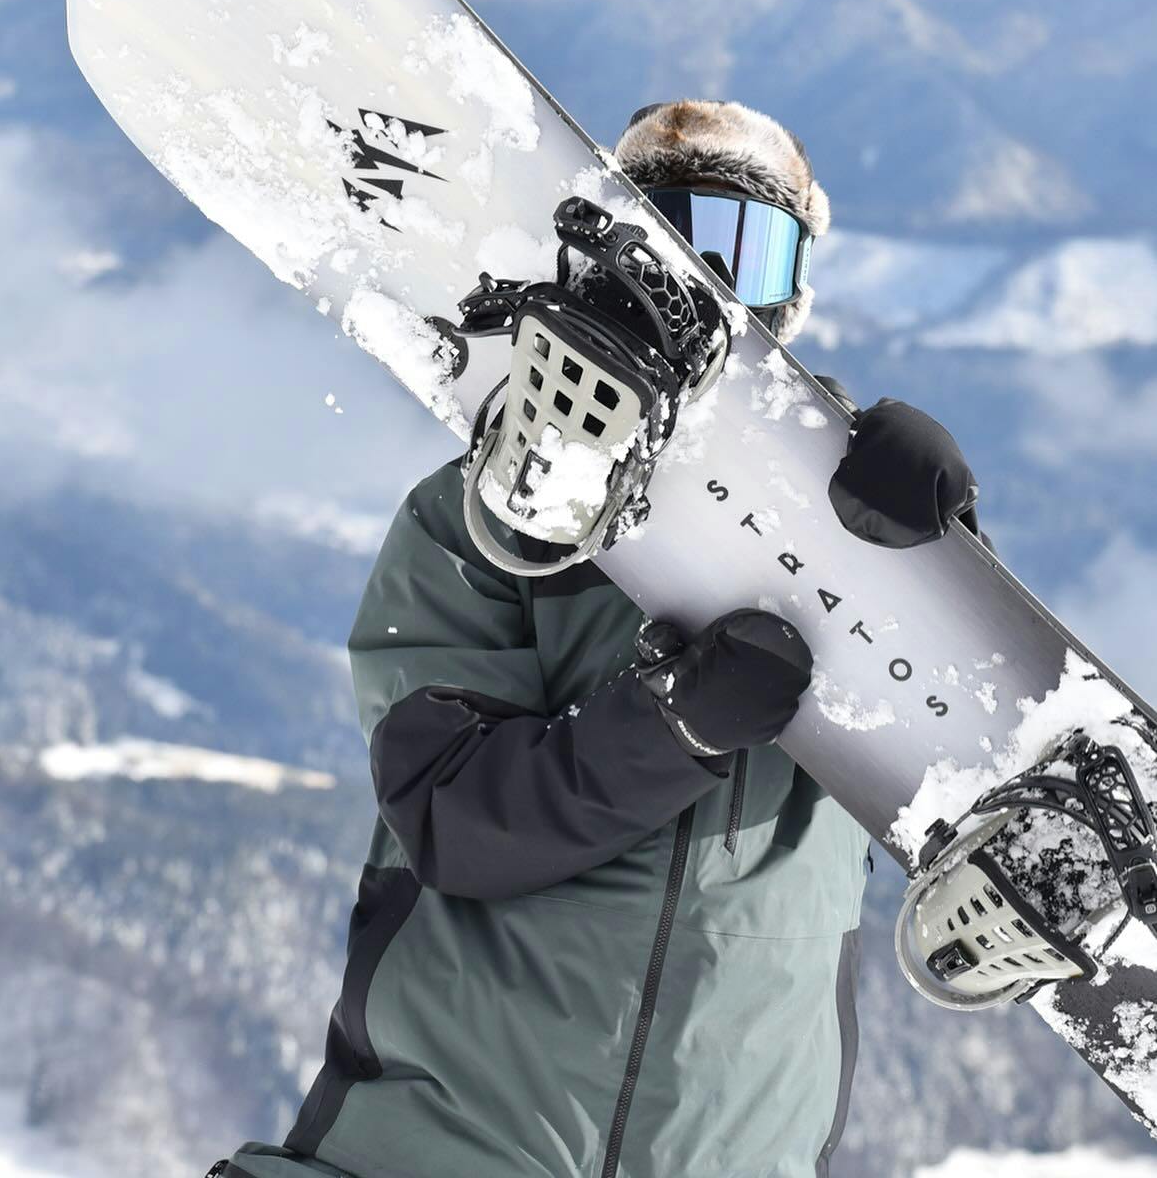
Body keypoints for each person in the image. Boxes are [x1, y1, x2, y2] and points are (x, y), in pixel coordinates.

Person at [211, 100, 991, 1178]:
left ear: (794, 294)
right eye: (678, 236)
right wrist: (670, 728)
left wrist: (939, 567)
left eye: (749, 250)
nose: (712, 286)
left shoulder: (849, 555)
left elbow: (947, 764)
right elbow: (454, 817)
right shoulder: (472, 523)